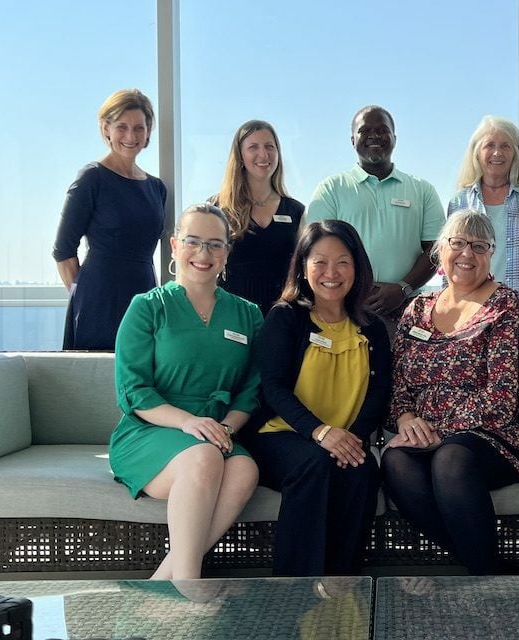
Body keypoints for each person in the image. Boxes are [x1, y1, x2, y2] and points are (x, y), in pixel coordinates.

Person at [382, 210, 519, 575]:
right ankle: (489, 568)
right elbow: (397, 383)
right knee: (395, 462)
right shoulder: (417, 309)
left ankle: (483, 575)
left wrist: (437, 434)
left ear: (491, 255)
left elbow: (503, 398)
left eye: (479, 246)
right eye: (458, 243)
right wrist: (406, 418)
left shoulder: (506, 307)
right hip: (430, 435)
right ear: (440, 251)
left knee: (451, 460)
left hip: (505, 432)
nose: (467, 254)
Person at [108, 203, 262, 580]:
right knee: (204, 458)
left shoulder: (249, 315)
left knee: (244, 468)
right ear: (175, 246)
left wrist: (224, 428)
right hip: (152, 429)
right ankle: (189, 583)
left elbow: (251, 390)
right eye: (193, 242)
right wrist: (190, 423)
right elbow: (134, 390)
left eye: (215, 244)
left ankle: (166, 580)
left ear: (227, 253)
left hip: (217, 431)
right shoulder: (147, 307)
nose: (203, 254)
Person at [244, 220, 391, 576]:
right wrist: (322, 433)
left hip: (345, 440)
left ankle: (343, 585)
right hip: (282, 435)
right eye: (320, 261)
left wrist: (351, 439)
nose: (331, 272)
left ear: (357, 267)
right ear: (303, 265)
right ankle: (294, 590)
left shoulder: (372, 326)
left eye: (342, 261)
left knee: (363, 468)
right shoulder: (286, 317)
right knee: (316, 464)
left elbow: (379, 392)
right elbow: (273, 387)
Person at [305, 105, 443, 326]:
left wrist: (402, 288)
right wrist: (357, 288)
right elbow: (315, 251)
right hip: (345, 308)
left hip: (407, 309)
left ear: (394, 138)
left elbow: (436, 250)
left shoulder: (422, 189)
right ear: (352, 140)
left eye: (382, 130)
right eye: (365, 131)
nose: (374, 136)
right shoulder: (331, 189)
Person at [53, 88, 167, 350]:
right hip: (98, 297)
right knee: (96, 382)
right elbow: (63, 251)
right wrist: (85, 297)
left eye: (139, 127)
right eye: (121, 127)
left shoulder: (157, 188)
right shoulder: (92, 178)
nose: (130, 136)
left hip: (144, 292)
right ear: (106, 128)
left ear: (149, 130)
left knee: (142, 377)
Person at [447, 116, 519, 344]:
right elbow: (448, 268)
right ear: (476, 153)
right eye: (489, 145)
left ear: (516, 153)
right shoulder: (459, 202)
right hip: (475, 323)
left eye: (505, 146)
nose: (497, 153)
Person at [211, 120, 305, 314]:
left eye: (270, 146)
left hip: (282, 317)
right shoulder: (218, 208)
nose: (263, 154)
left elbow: (303, 271)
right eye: (253, 147)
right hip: (231, 316)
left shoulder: (296, 212)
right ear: (240, 156)